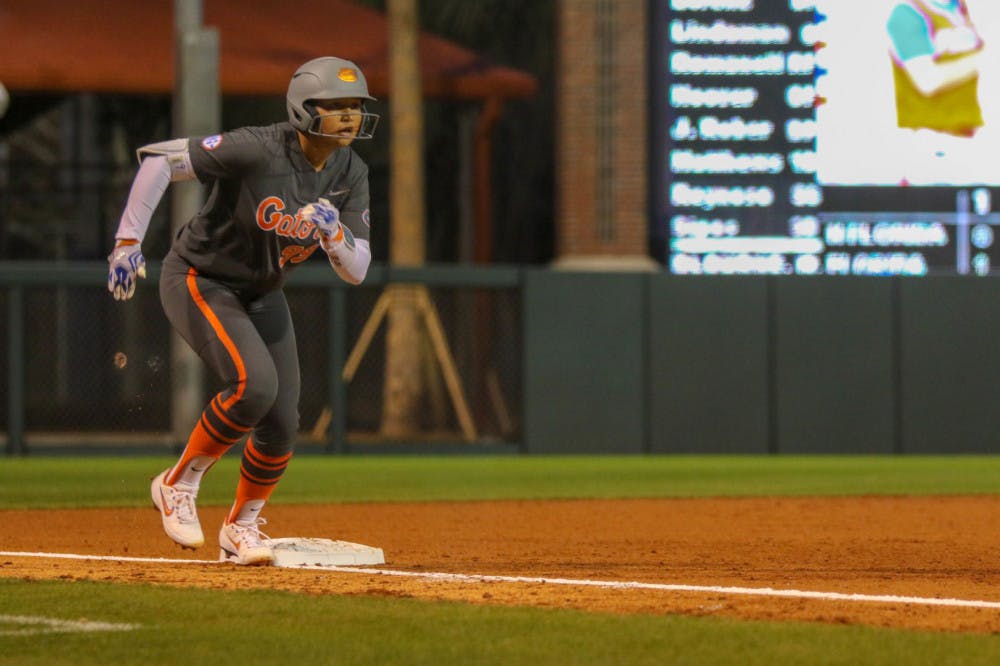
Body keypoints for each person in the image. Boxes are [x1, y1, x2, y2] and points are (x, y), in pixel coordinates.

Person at [106, 56, 379, 565]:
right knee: (254, 387)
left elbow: (357, 270)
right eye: (335, 105)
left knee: (281, 420)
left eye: (356, 106)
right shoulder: (258, 147)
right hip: (200, 278)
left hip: (261, 292)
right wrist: (127, 241)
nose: (349, 115)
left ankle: (241, 529)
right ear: (303, 108)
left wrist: (334, 234)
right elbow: (160, 161)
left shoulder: (351, 171)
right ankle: (177, 484)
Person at [888, 0, 984, 137]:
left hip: (969, 130)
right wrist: (985, 61)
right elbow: (928, 81)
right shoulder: (906, 14)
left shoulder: (961, 7)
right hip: (930, 136)